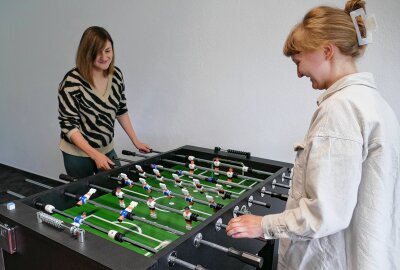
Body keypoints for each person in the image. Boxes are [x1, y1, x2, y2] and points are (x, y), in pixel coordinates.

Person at [226, 1, 400, 269]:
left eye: (298, 61)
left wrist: (263, 225)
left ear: (327, 51)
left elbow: (325, 214)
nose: (298, 73)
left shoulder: (340, 107)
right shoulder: (375, 103)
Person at [58, 26, 151, 179]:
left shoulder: (116, 75)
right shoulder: (72, 81)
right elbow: (69, 126)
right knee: (85, 198)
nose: (104, 56)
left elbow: (121, 109)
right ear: (87, 53)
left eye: (107, 50)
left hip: (106, 148)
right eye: (97, 52)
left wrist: (136, 140)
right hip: (77, 153)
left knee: (117, 186)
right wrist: (94, 154)